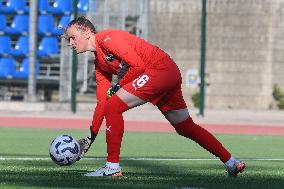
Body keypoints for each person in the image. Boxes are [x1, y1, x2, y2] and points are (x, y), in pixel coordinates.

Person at [64, 16, 246, 177]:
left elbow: (138, 66)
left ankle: (112, 167)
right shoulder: (99, 63)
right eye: (68, 40)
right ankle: (231, 162)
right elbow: (101, 102)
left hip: (159, 70)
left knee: (114, 106)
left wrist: (118, 86)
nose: (70, 43)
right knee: (184, 126)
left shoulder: (107, 38)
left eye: (73, 38)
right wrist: (90, 137)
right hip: (167, 73)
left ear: (87, 32)